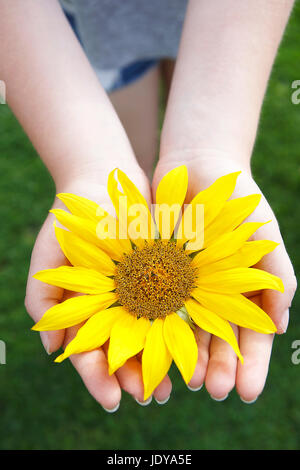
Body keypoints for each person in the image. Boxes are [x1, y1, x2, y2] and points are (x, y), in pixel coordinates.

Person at [0, 0, 296, 412]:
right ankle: (138, 174)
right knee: (126, 126)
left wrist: (211, 144)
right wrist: (89, 165)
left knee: (182, 82)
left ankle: (145, 175)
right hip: (98, 18)